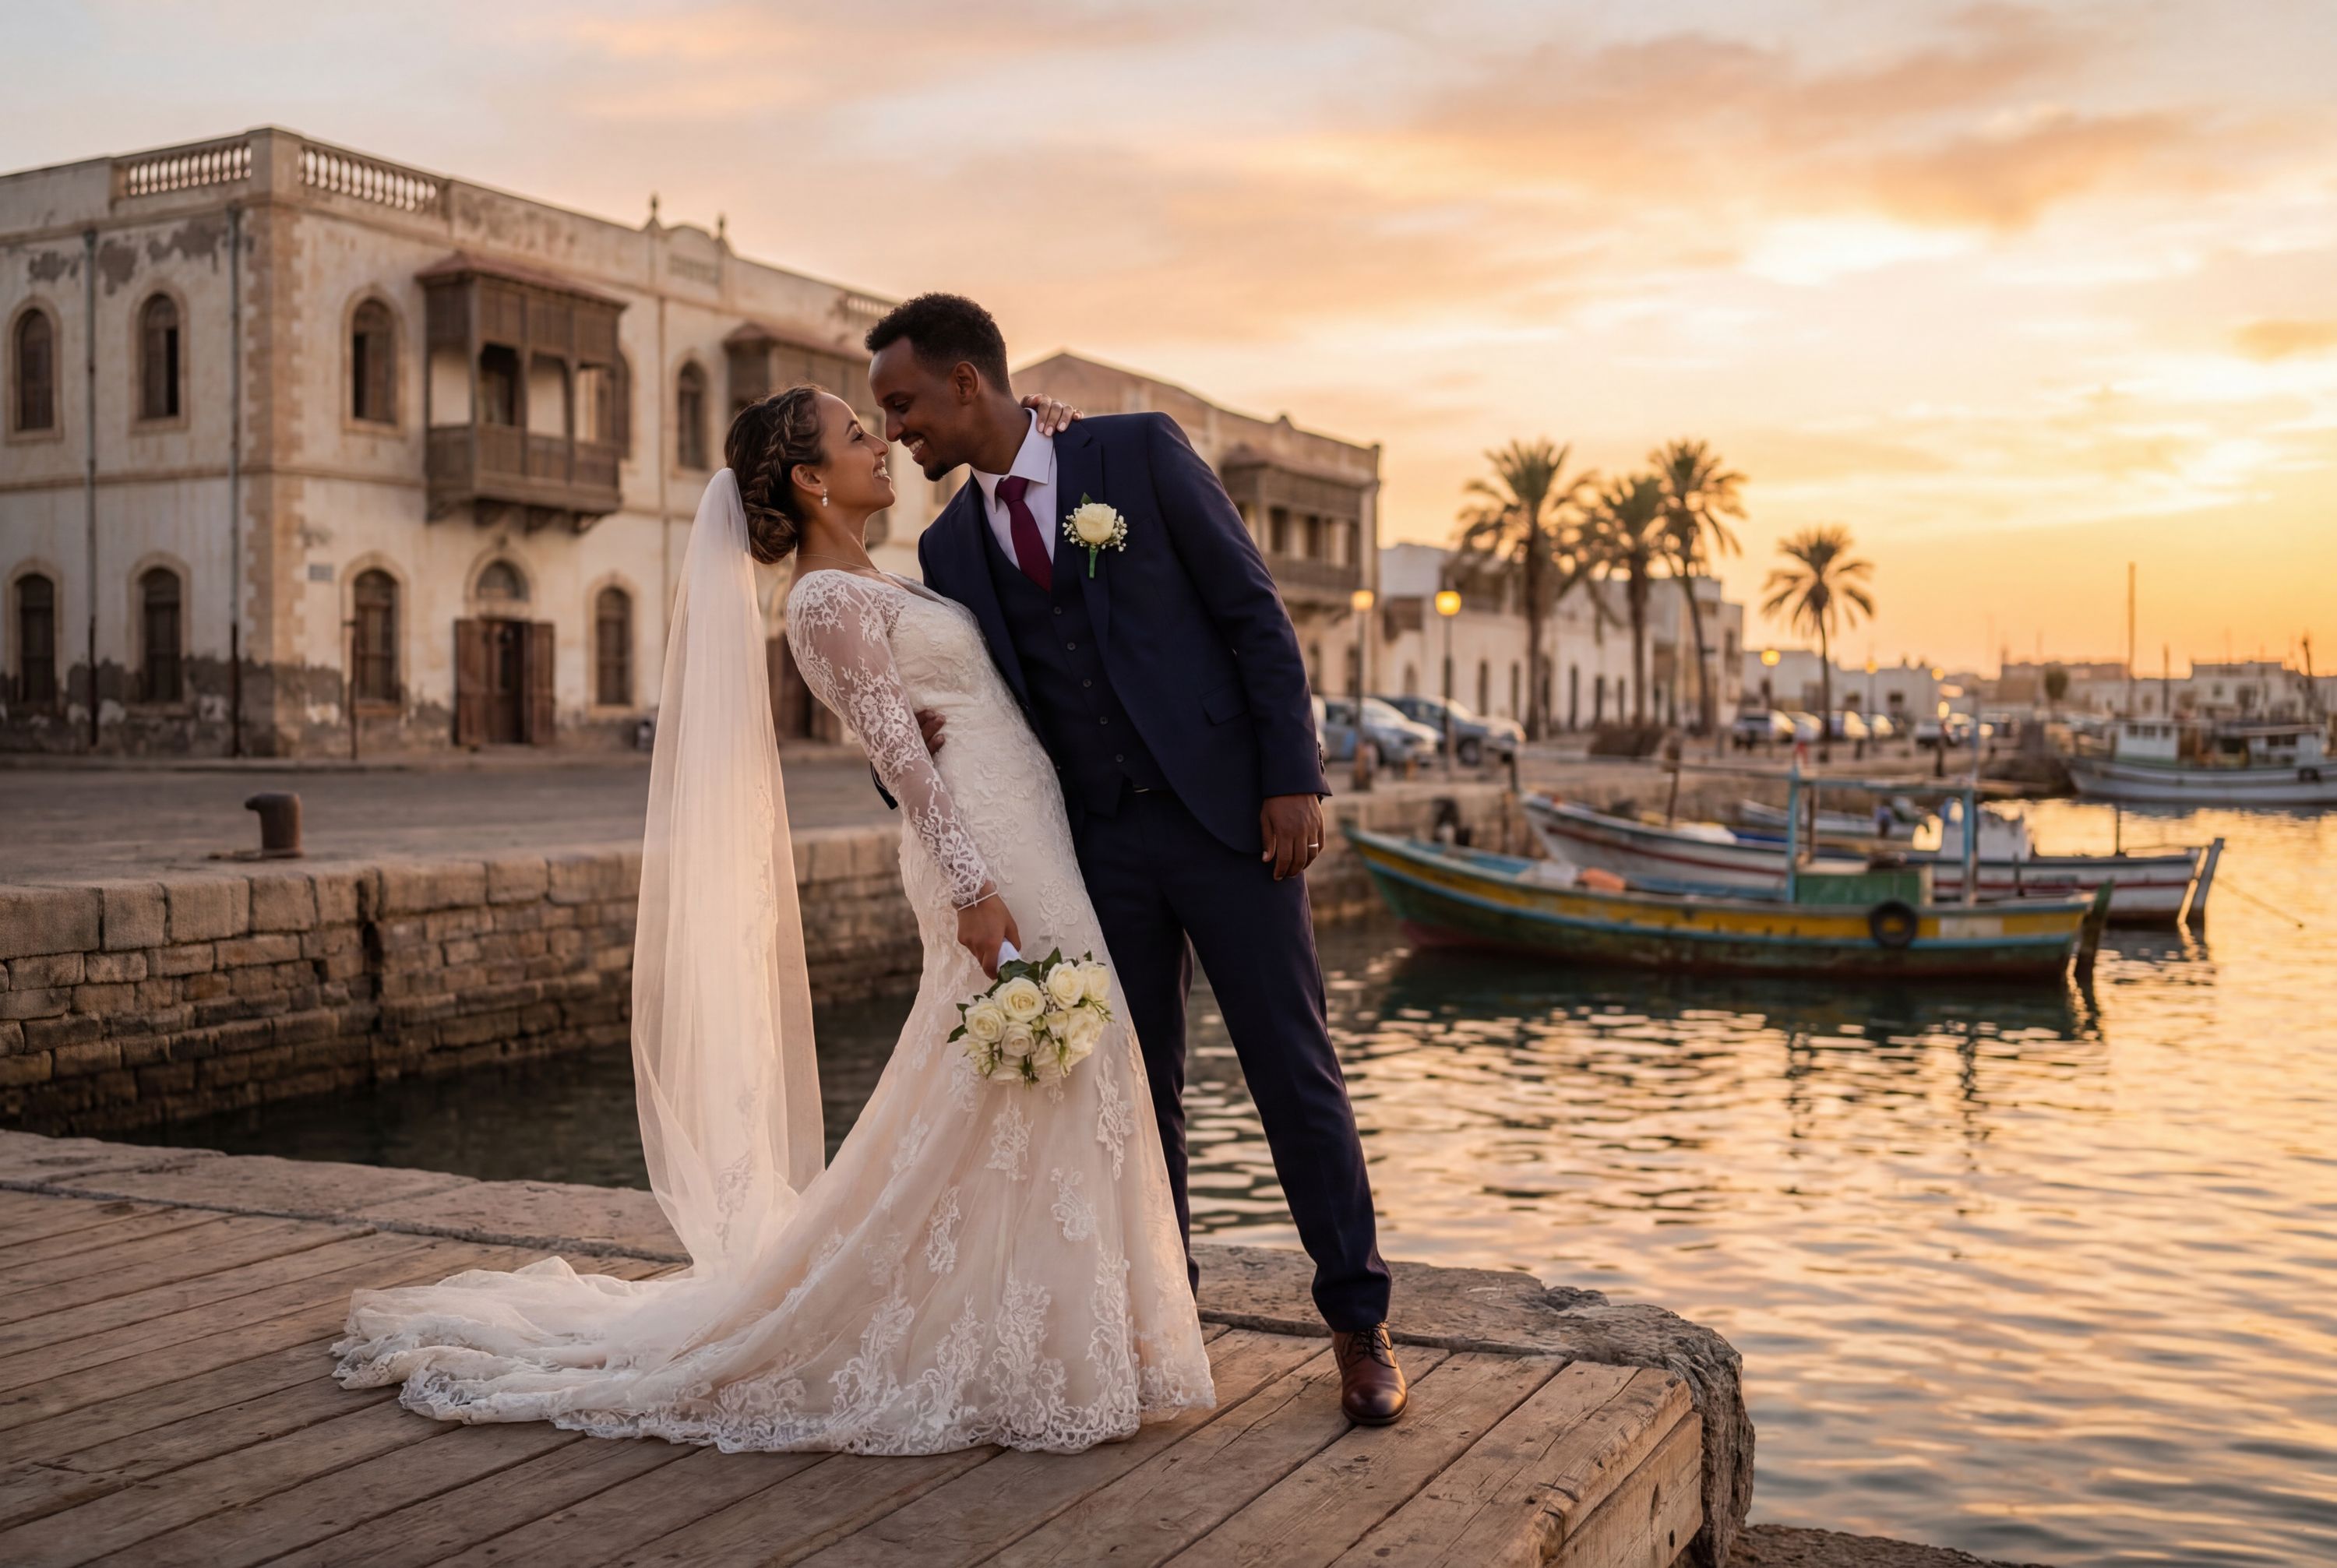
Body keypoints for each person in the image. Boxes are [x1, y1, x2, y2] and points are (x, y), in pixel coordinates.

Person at [332, 385, 1213, 1456]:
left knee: (1054, 1067)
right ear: (808, 479)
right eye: (857, 437)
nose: (882, 444)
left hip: (1025, 828)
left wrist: (1051, 438)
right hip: (986, 852)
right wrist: (975, 890)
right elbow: (901, 761)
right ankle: (1027, 1337)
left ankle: (1066, 1328)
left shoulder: (874, 579)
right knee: (1039, 1061)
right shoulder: (822, 604)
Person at [868, 294, 1403, 1425]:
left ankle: (1359, 1324)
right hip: (1098, 843)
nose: (898, 429)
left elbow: (1256, 613)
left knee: (1292, 1069)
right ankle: (1169, 1317)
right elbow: (965, 708)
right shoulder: (947, 544)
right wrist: (897, 754)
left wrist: (1292, 773)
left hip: (1230, 817)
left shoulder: (1138, 449)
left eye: (905, 403)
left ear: (969, 382)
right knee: (1137, 1087)